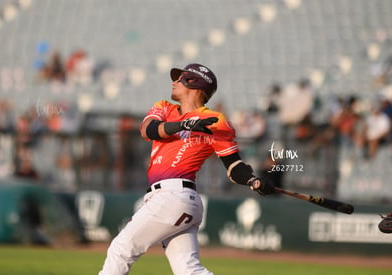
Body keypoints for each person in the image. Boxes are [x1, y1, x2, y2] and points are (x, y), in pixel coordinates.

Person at [98, 63, 275, 275]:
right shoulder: (164, 107)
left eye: (179, 78)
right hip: (176, 199)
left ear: (195, 83)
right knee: (188, 270)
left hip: (174, 196)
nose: (173, 82)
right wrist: (183, 125)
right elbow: (149, 130)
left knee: (121, 248)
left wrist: (253, 181)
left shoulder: (215, 121)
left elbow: (234, 165)